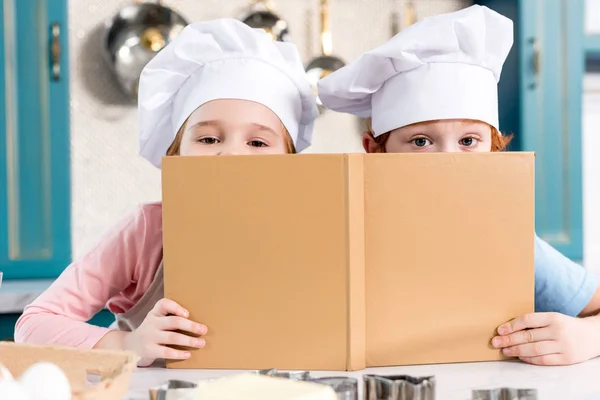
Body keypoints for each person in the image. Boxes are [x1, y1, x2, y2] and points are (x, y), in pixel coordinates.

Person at [14, 18, 318, 367]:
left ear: (291, 165)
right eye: (208, 139)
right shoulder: (147, 232)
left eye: (258, 142)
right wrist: (129, 344)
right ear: (175, 155)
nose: (231, 154)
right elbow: (33, 324)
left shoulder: (306, 233)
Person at [317, 4, 600, 366]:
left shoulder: (508, 240)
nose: (447, 159)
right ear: (375, 150)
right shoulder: (343, 235)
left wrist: (590, 335)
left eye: (468, 141)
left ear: (494, 151)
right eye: (421, 141)